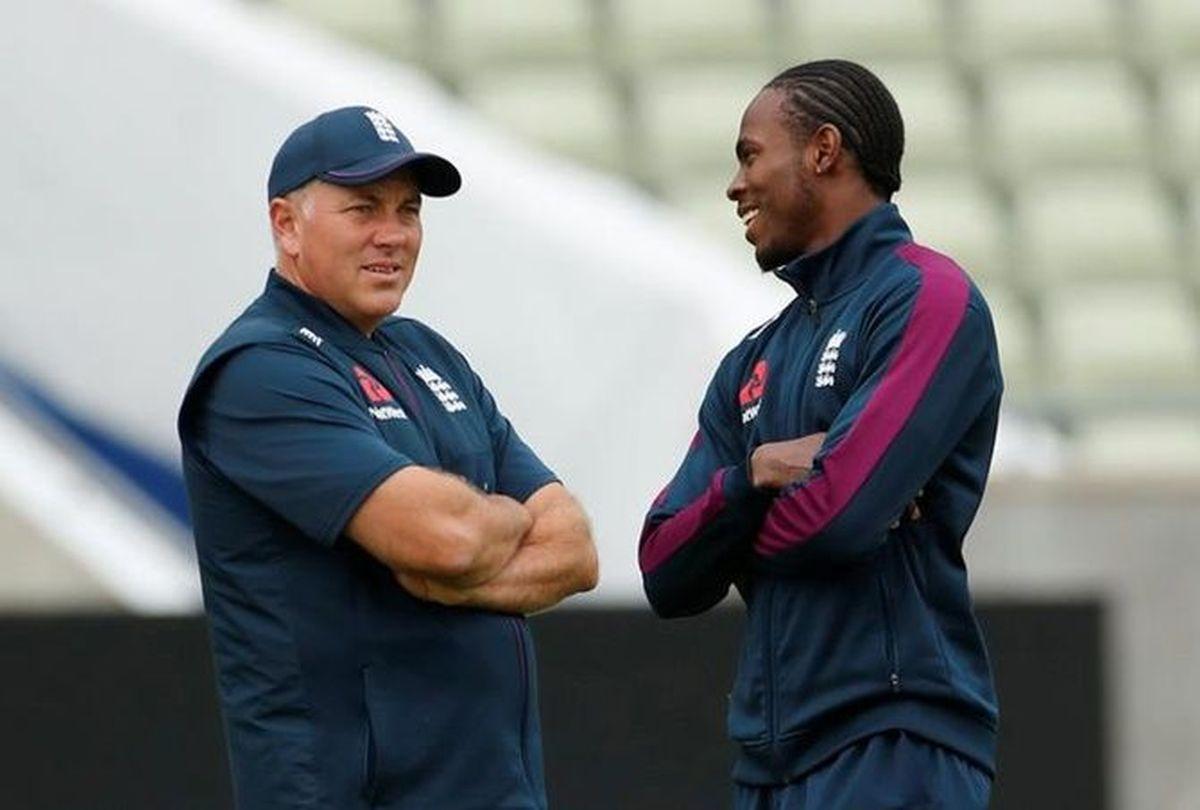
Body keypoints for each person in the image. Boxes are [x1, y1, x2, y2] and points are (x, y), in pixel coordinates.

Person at [178, 106, 598, 810]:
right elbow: (446, 536)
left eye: (408, 211)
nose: (393, 235)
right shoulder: (259, 369)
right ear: (287, 224)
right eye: (363, 208)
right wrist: (485, 525)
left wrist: (459, 571)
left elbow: (575, 550)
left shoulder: (426, 353)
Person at [638, 60, 1000, 808]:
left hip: (893, 741)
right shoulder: (752, 360)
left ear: (823, 150)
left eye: (749, 155)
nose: (735, 186)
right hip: (769, 761)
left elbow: (838, 522)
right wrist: (755, 476)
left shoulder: (927, 298)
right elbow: (665, 569)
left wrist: (736, 535)